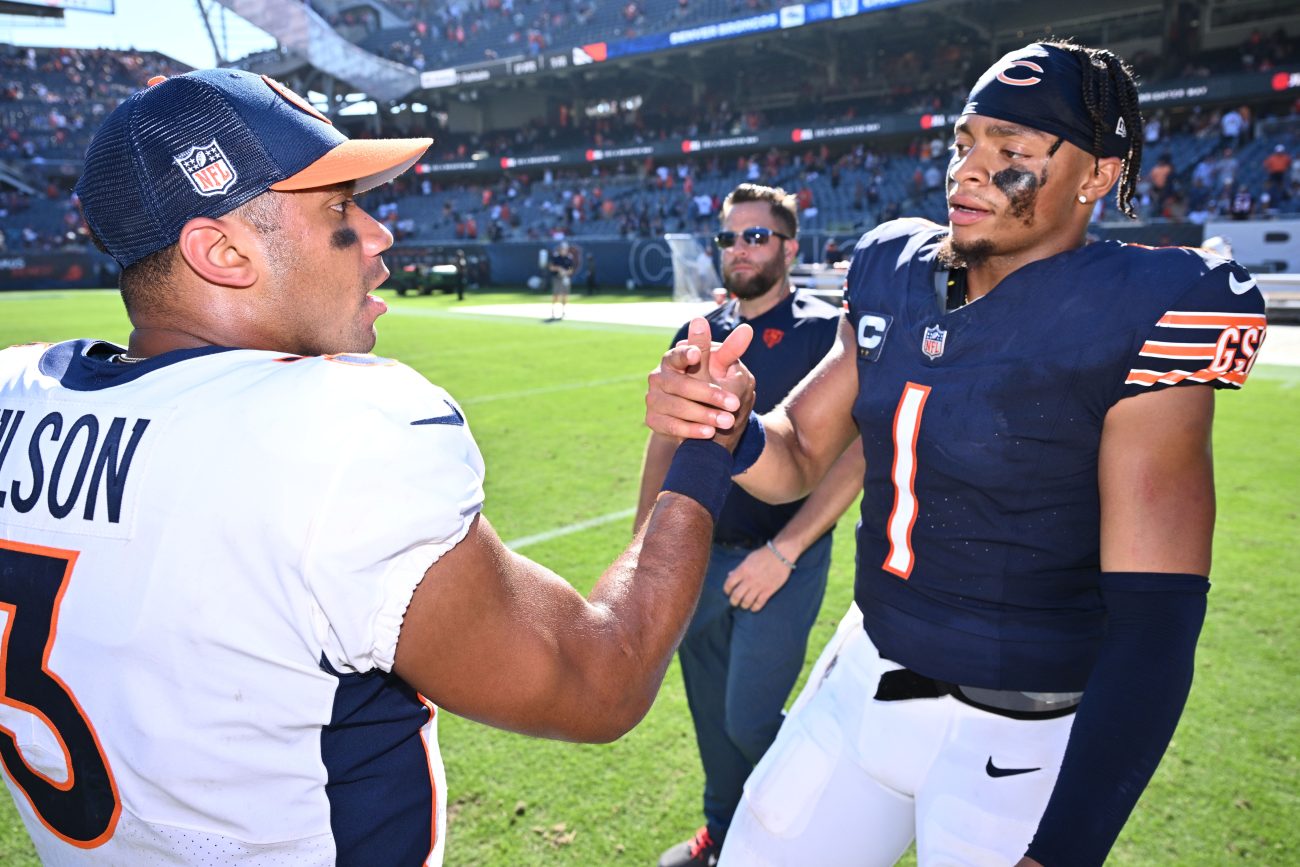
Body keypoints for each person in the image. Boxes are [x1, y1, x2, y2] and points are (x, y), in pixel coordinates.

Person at [0, 68, 755, 866]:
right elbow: (603, 675)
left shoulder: (16, 395)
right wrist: (706, 446)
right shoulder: (334, 430)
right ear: (221, 250)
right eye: (339, 209)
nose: (380, 232)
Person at [644, 41, 1267, 866]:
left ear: (1096, 174)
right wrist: (727, 421)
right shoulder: (896, 267)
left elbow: (1157, 622)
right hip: (863, 676)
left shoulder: (1147, 310)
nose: (967, 171)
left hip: (1018, 733)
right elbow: (794, 454)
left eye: (1010, 151)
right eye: (963, 142)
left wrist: (1067, 846)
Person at [635, 184, 864, 867]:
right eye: (729, 238)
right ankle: (724, 834)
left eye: (755, 236)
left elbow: (856, 456)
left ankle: (815, 836)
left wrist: (785, 551)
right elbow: (664, 439)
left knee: (750, 717)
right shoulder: (696, 333)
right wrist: (646, 544)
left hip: (781, 558)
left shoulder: (828, 335)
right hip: (697, 553)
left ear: (790, 247)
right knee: (709, 714)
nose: (738, 248)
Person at [548, 240, 576, 319]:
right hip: (557, 278)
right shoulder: (555, 257)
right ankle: (553, 311)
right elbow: (551, 267)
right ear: (560, 249)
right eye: (562, 249)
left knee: (565, 295)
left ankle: (563, 311)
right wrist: (559, 269)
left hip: (565, 278)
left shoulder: (569, 258)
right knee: (556, 295)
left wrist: (566, 272)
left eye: (565, 249)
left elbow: (571, 269)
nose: (564, 250)